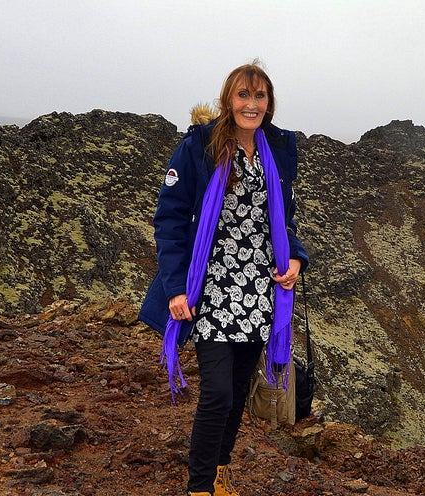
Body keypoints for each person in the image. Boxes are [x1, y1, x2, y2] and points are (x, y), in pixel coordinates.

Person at [139, 60, 309, 496]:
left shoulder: (277, 148)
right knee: (216, 393)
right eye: (243, 95)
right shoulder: (200, 145)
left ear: (268, 103)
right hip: (210, 289)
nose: (251, 104)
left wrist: (297, 259)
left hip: (258, 290)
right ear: (228, 99)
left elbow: (284, 222)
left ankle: (221, 472)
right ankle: (198, 488)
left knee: (235, 393)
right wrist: (175, 286)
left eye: (259, 96)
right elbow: (170, 219)